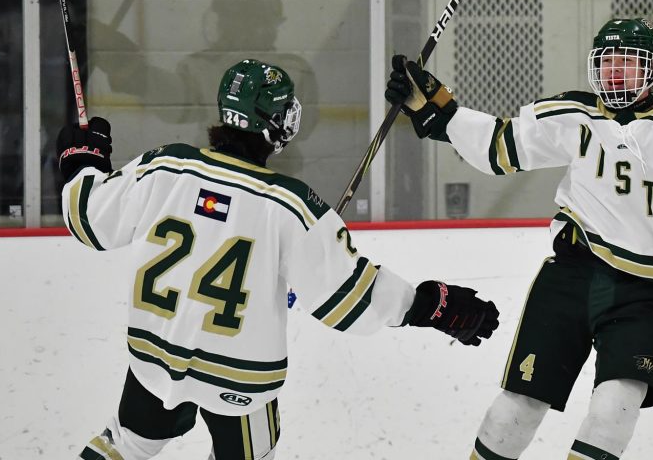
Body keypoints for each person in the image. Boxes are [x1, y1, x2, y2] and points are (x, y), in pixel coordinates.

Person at [385, 18, 653, 460]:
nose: (615, 71)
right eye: (607, 61)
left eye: (628, 63)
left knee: (616, 409)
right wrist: (439, 110)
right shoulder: (573, 114)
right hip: (572, 276)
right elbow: (499, 146)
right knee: (517, 408)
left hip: (643, 292)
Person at [57, 59, 500, 460]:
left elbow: (89, 217)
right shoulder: (291, 206)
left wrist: (82, 161)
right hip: (238, 381)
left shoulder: (165, 166)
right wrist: (431, 305)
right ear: (275, 123)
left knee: (128, 444)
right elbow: (349, 299)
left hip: (153, 360)